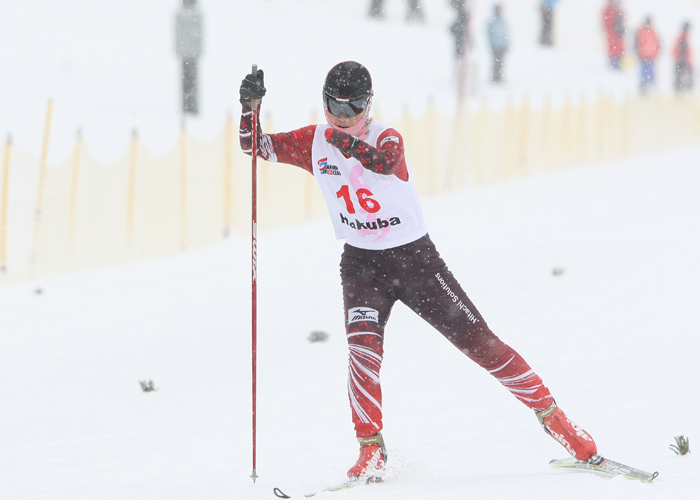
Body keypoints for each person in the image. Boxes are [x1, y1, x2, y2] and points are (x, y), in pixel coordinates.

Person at [238, 61, 598, 482]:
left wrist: (342, 141)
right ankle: (370, 450)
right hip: (360, 265)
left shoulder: (385, 136)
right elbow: (255, 148)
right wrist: (250, 108)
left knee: (481, 343)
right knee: (362, 355)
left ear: (368, 104)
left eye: (354, 105)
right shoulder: (313, 140)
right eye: (335, 104)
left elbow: (384, 162)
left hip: (414, 262)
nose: (343, 113)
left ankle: (561, 425)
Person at [635, 17, 661, 96]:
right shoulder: (651, 32)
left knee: (647, 74)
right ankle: (646, 90)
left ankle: (648, 90)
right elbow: (658, 44)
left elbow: (658, 44)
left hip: (647, 56)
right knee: (647, 74)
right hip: (646, 57)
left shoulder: (641, 31)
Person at [487, 4, 510, 83]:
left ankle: (500, 76)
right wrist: (491, 43)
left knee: (501, 61)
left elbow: (506, 34)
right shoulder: (492, 22)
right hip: (495, 45)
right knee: (495, 61)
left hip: (502, 45)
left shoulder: (503, 21)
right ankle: (495, 77)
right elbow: (489, 34)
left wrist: (507, 44)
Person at [601, 0, 626, 70]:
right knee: (614, 49)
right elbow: (607, 21)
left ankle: (616, 65)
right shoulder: (610, 10)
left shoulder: (616, 9)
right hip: (613, 33)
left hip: (616, 34)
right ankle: (614, 66)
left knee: (617, 49)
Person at [673, 21, 694, 93]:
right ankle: (684, 94)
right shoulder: (684, 37)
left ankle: (681, 93)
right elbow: (683, 51)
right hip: (683, 62)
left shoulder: (682, 36)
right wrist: (684, 62)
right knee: (684, 80)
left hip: (681, 61)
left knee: (680, 79)